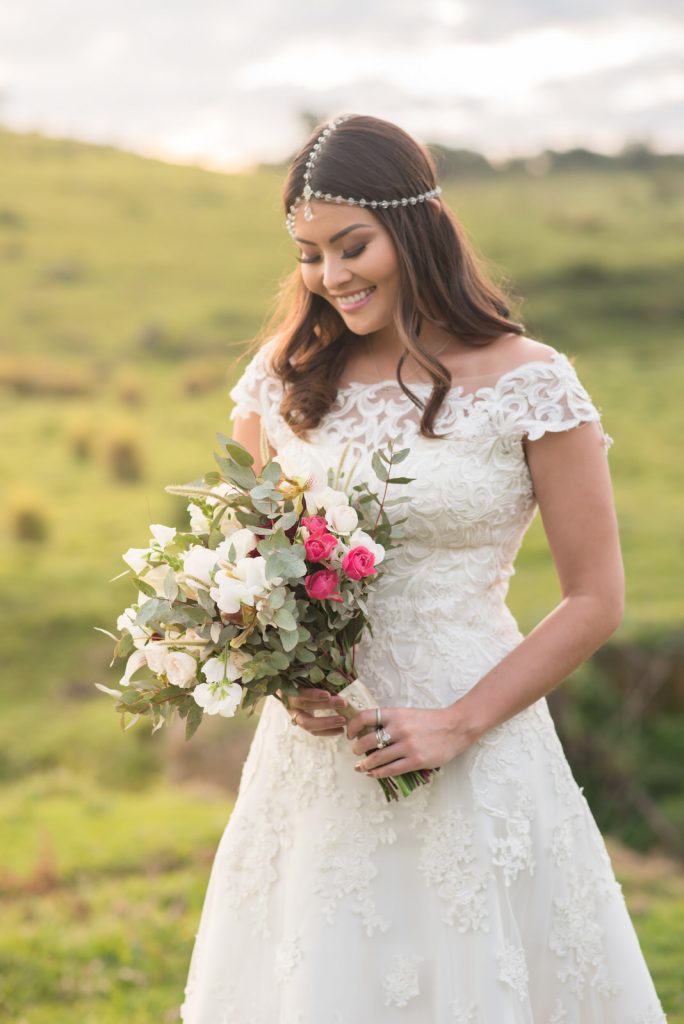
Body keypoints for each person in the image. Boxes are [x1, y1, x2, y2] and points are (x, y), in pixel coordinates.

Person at [180, 113, 667, 1023]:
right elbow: (249, 559)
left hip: (478, 739)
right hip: (319, 762)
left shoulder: (532, 379)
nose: (331, 277)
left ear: (418, 223)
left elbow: (596, 598)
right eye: (308, 253)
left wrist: (457, 723)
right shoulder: (282, 378)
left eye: (351, 245)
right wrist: (285, 675)